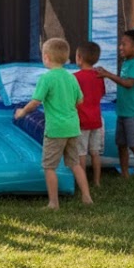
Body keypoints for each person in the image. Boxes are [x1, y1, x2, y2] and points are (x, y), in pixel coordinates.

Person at [14, 37, 93, 209]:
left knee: (49, 167)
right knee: (75, 163)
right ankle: (87, 197)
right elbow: (80, 100)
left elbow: (36, 102)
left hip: (56, 129)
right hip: (73, 128)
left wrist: (22, 112)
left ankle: (53, 203)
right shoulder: (71, 78)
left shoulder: (47, 78)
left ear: (46, 57)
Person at [97, 28, 134, 182]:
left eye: (124, 44)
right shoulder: (126, 62)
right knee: (121, 144)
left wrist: (108, 74)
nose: (120, 47)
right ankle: (125, 173)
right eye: (120, 44)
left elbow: (128, 83)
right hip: (123, 111)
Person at [74, 41, 106, 187]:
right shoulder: (99, 76)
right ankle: (97, 181)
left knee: (81, 153)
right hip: (97, 121)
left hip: (82, 121)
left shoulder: (75, 77)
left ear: (79, 57)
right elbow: (101, 94)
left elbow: (73, 99)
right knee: (95, 153)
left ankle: (83, 182)